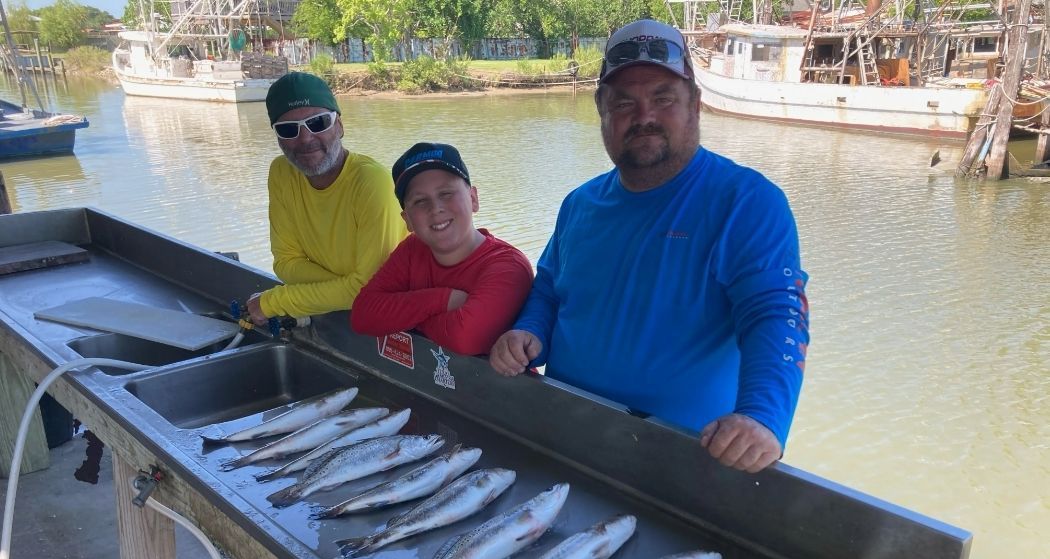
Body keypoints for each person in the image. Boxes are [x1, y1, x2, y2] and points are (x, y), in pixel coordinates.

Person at [489, 19, 809, 474]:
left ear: (695, 105)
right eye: (624, 102)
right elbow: (550, 290)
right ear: (601, 111)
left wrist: (763, 416)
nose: (644, 117)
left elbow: (777, 315)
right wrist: (529, 333)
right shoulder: (579, 204)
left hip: (683, 457)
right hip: (563, 432)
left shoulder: (747, 202)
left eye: (663, 98)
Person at [247, 72, 407, 326]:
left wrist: (275, 302)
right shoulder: (281, 173)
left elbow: (369, 290)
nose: (306, 139)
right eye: (289, 129)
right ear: (278, 138)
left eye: (318, 122)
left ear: (340, 126)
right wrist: (345, 287)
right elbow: (285, 263)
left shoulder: (371, 181)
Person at [350, 142, 534, 356]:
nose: (435, 208)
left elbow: (465, 338)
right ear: (407, 220)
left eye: (446, 193)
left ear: (473, 199)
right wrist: (444, 299)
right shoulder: (412, 249)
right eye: (420, 201)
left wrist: (403, 318)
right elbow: (362, 316)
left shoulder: (508, 265)